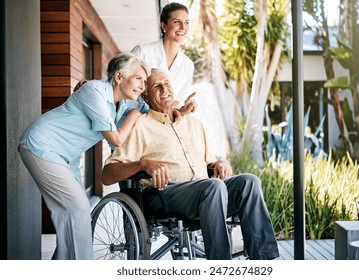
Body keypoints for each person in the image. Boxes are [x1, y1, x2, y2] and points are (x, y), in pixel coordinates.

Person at [101, 69, 280, 260]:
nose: (164, 89)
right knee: (214, 186)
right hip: (166, 195)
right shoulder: (141, 126)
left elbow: (210, 161)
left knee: (249, 182)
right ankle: (220, 266)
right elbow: (107, 174)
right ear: (145, 96)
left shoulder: (193, 123)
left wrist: (221, 162)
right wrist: (142, 164)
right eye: (156, 86)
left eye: (166, 83)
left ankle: (265, 260)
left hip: (207, 192)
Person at [18, 53, 151, 260]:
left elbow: (151, 108)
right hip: (42, 144)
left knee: (69, 217)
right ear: (118, 77)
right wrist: (134, 117)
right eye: (138, 79)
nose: (143, 86)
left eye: (145, 81)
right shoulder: (94, 91)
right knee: (79, 209)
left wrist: (178, 109)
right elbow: (116, 139)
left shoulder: (122, 105)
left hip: (66, 158)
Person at [132, 2, 194, 106]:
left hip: (162, 121)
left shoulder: (187, 65)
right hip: (133, 116)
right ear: (163, 25)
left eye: (186, 22)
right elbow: (125, 87)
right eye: (177, 22)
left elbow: (175, 103)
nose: (183, 27)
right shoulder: (142, 52)